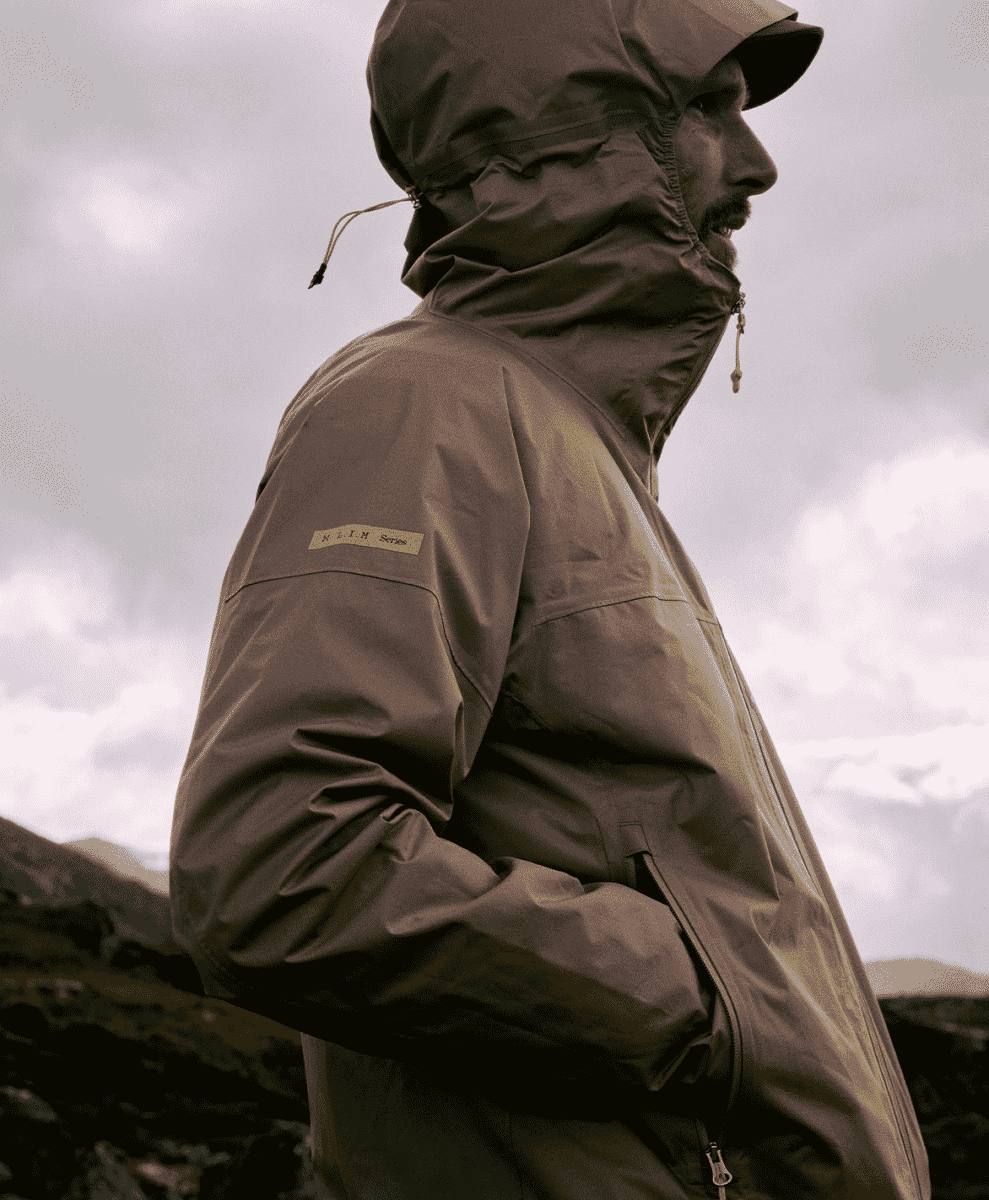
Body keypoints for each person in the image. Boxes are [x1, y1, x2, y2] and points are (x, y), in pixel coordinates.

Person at [169, 1, 931, 1197]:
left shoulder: (574, 444)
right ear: (574, 132)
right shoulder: (421, 406)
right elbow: (279, 867)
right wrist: (711, 1004)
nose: (759, 164)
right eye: (709, 107)